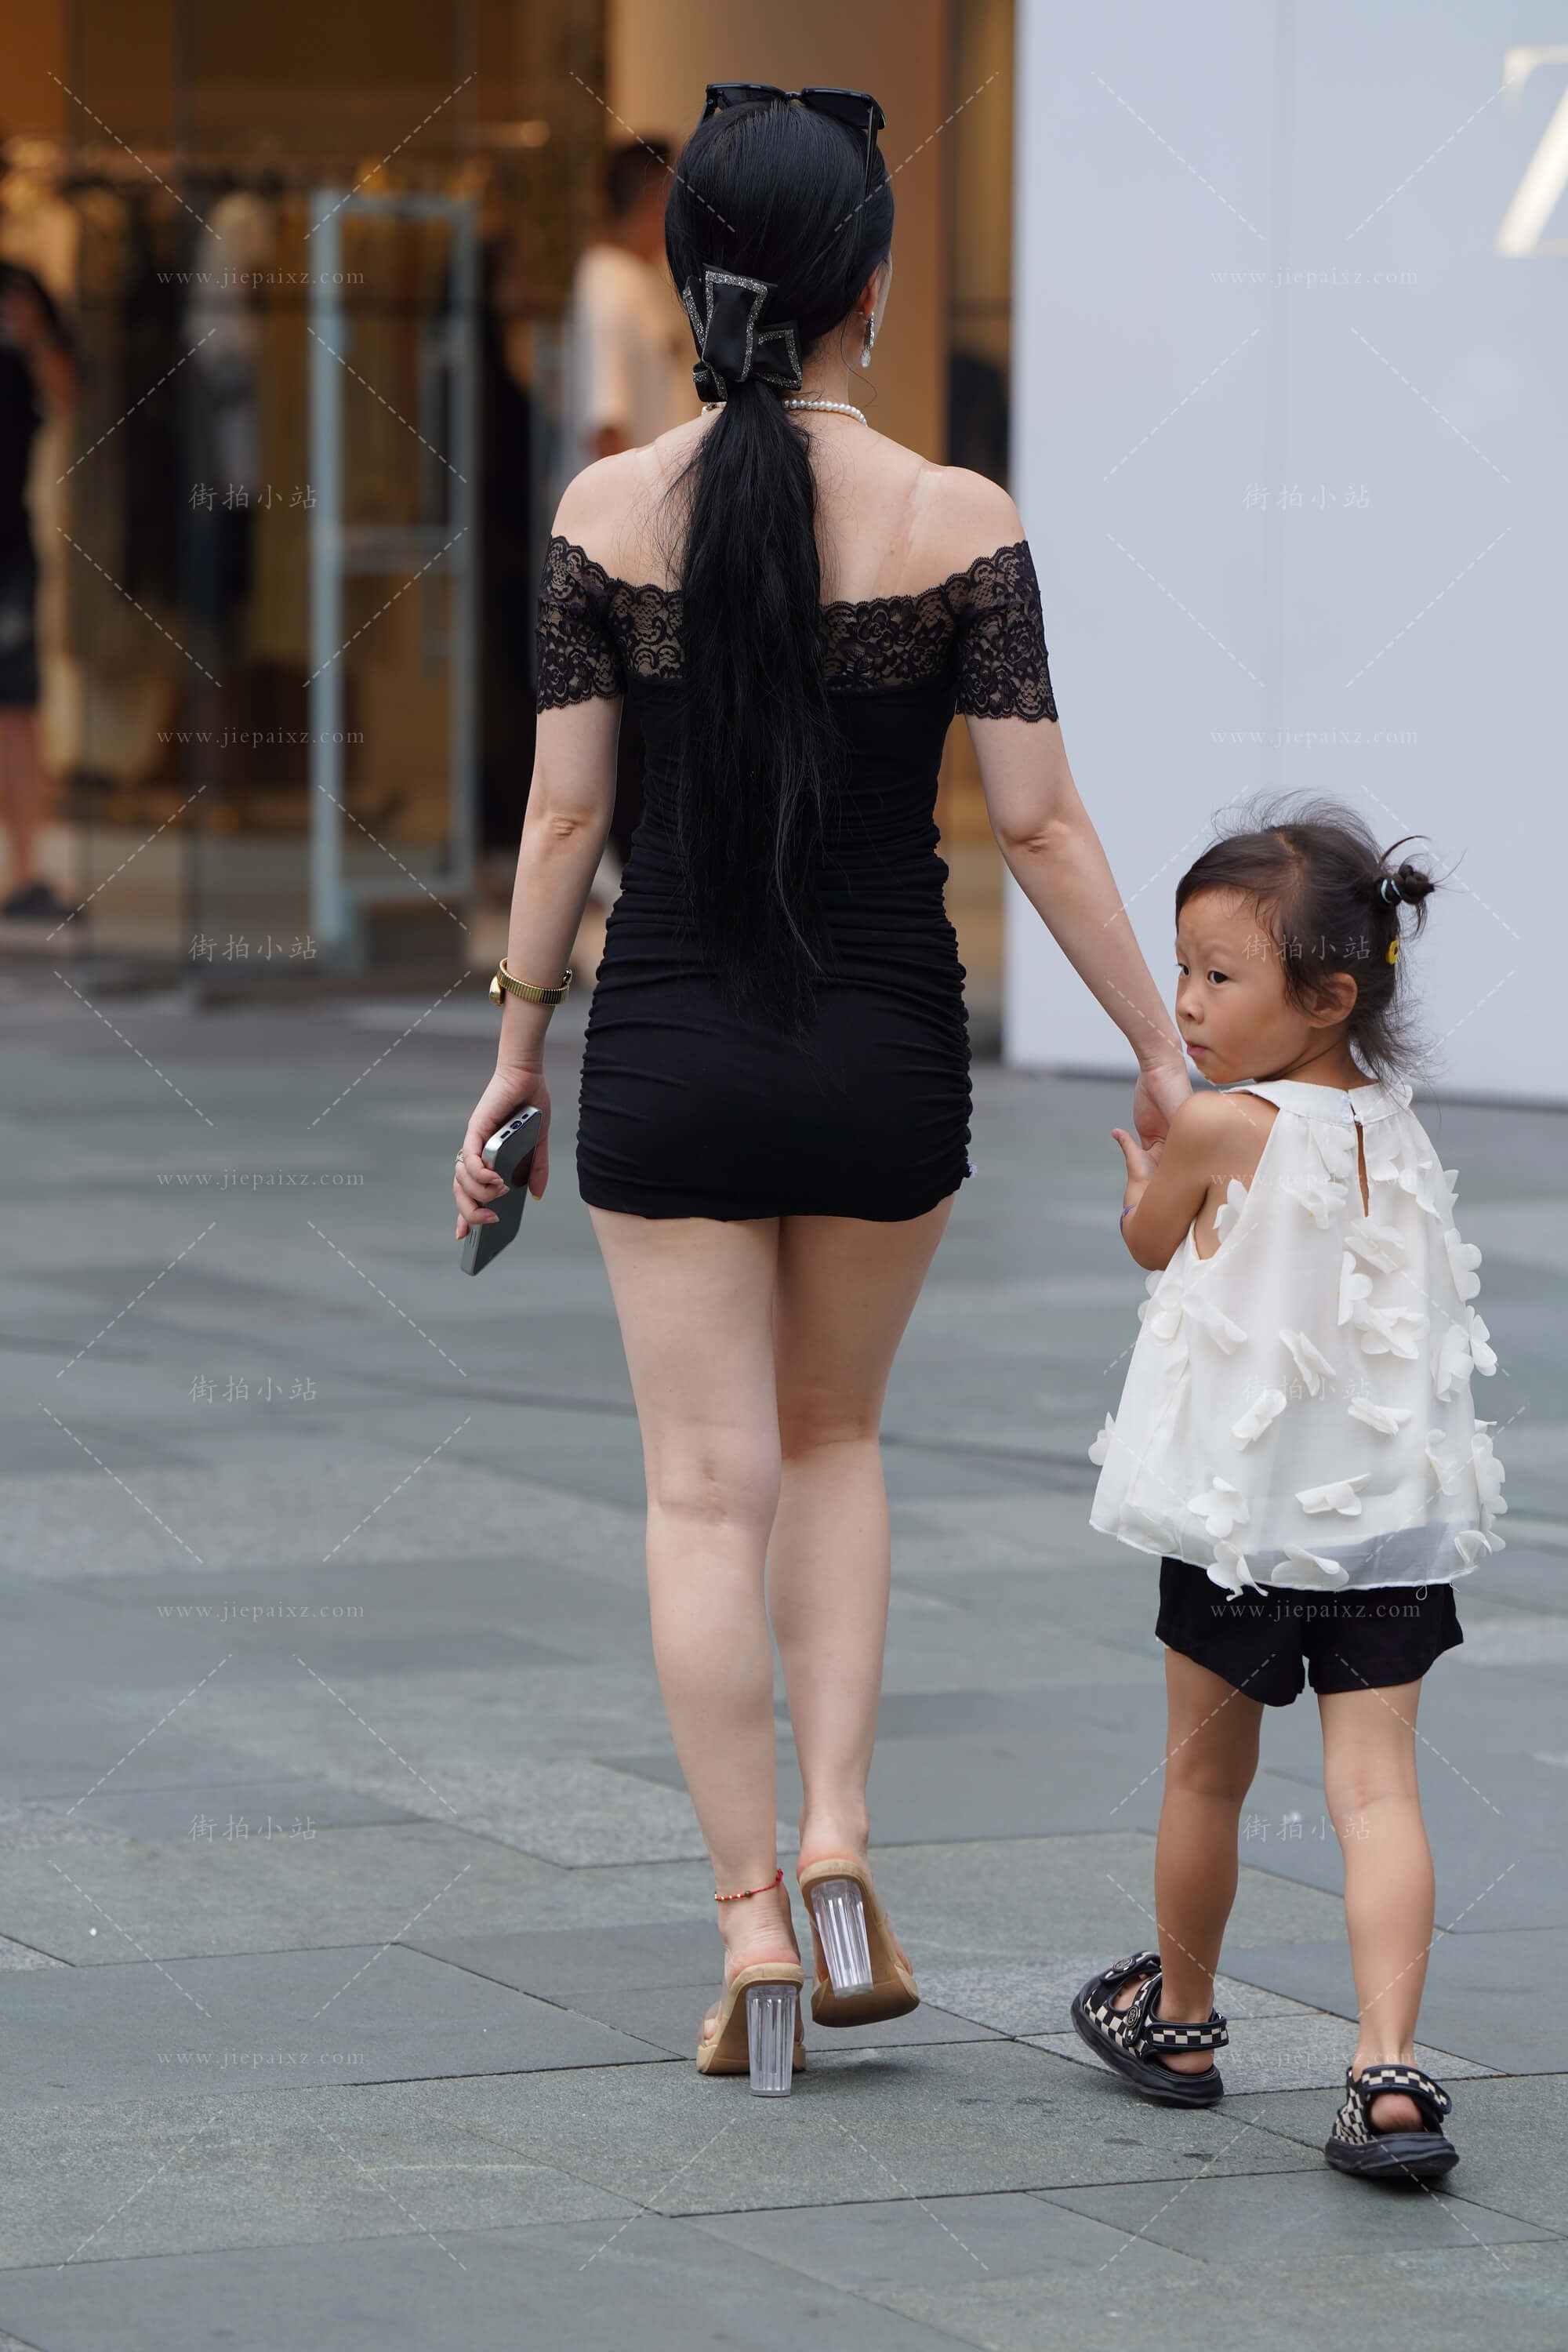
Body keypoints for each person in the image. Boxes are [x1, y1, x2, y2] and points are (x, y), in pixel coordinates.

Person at [454, 84, 1191, 2094]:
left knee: (703, 1492)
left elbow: (562, 818)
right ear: (870, 283)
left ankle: (753, 1927)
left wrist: (513, 1057)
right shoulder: (959, 521)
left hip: (670, 1054)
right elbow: (1035, 828)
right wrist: (1160, 1047)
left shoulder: (604, 512)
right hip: (883, 1055)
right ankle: (847, 1838)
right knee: (835, 1439)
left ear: (692, 272)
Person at [1073, 792, 1504, 2182]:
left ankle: (1182, 2022)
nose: (1188, 1003)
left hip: (1242, 1533)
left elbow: (1153, 1241)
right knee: (1377, 1794)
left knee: (1207, 1777)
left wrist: (1149, 1173)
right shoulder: (1398, 1128)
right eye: (1185, 970)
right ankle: (1388, 2072)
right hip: (1386, 1537)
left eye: (1218, 976)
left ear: (1326, 998)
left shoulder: (1220, 1126)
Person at [557, 137, 692, 901]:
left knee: (652, 710)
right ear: (652, 196)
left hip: (664, 530)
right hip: (629, 539)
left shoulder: (643, 281)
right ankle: (615, 873)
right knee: (622, 718)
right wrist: (626, 541)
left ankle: (638, 865)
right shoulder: (603, 286)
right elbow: (603, 425)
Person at [0, 259, 76, 921]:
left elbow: (68, 399)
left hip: (8, 548)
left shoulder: (21, 303)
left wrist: (31, 335)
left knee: (17, 712)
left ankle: (26, 870)